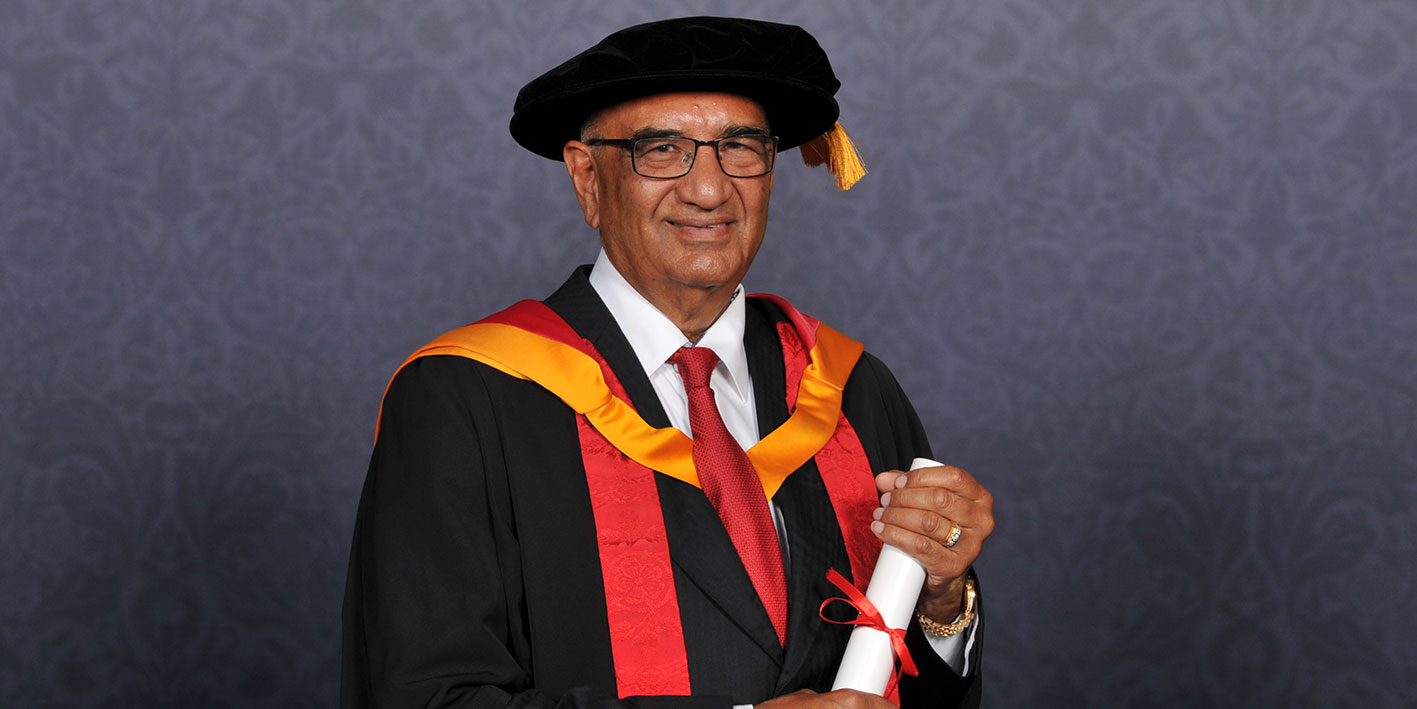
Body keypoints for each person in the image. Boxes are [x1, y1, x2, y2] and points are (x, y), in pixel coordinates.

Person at [342, 16, 994, 708]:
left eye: (740, 148)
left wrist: (943, 603)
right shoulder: (465, 397)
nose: (709, 190)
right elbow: (424, 696)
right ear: (587, 177)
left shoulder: (848, 386)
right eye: (661, 150)